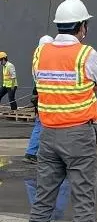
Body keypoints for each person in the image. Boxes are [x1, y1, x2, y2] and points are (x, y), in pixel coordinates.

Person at [27, 0, 97, 222]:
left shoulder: (41, 52)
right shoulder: (86, 53)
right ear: (81, 27)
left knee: (43, 199)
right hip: (78, 136)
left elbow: (40, 80)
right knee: (83, 200)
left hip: (48, 135)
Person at [24, 35, 55, 164]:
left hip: (39, 94)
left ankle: (33, 152)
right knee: (43, 124)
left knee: (41, 124)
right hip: (45, 96)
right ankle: (32, 153)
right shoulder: (47, 59)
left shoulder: (37, 57)